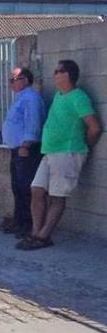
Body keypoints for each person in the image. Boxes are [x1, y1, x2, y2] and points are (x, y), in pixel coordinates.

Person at [17, 60, 101, 250]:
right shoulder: (59, 96)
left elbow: (94, 127)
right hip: (50, 152)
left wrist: (82, 147)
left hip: (67, 153)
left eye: (59, 71)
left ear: (68, 75)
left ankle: (43, 236)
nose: (54, 74)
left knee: (57, 196)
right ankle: (35, 232)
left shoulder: (78, 97)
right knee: (36, 190)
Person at [1, 67, 45, 238]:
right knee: (17, 187)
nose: (11, 83)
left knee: (26, 188)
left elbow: (33, 123)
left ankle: (28, 225)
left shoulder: (31, 98)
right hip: (17, 149)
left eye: (14, 79)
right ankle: (19, 221)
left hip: (26, 150)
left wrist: (26, 145)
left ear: (25, 80)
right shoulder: (21, 98)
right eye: (10, 80)